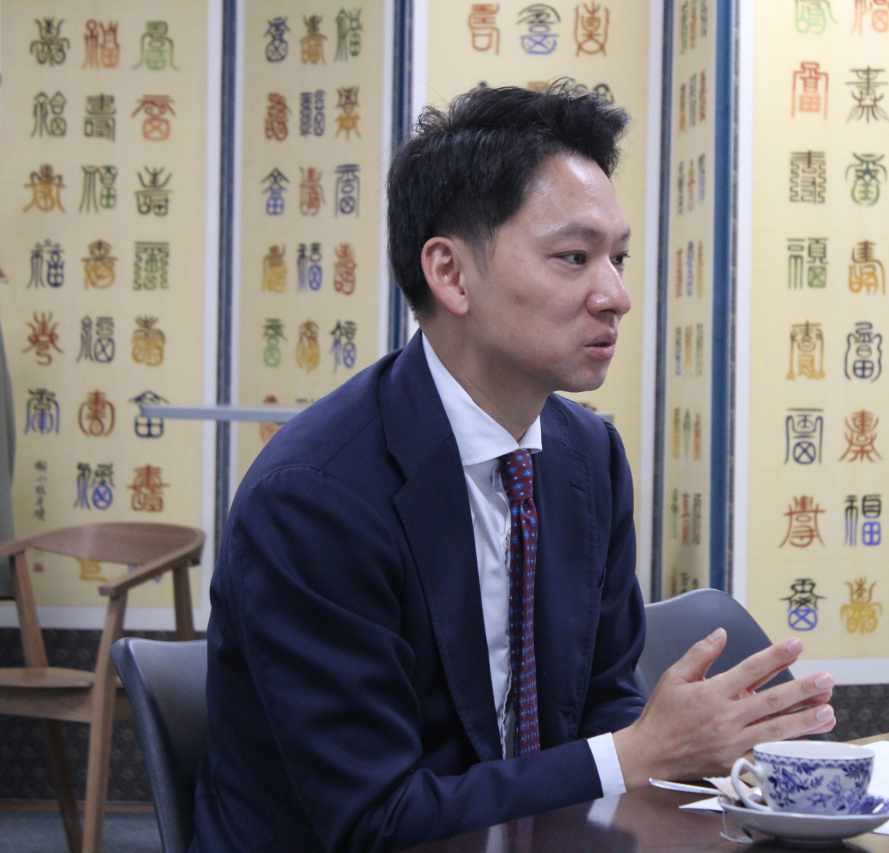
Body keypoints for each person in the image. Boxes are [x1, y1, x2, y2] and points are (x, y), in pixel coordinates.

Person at [191, 82, 836, 853]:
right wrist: (638, 751)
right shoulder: (315, 498)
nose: (617, 295)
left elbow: (599, 711)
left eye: (618, 257)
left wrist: (696, 752)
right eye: (574, 257)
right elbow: (373, 820)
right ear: (451, 274)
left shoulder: (585, 458)